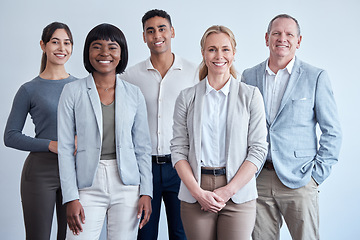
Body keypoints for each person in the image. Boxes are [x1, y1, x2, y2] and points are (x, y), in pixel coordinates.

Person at [241, 14, 342, 240]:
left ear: (299, 41)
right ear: (267, 38)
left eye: (289, 34)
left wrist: (316, 176)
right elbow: (242, 127)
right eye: (276, 33)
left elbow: (332, 131)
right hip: (259, 179)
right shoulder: (249, 76)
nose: (282, 38)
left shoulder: (316, 77)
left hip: (301, 179)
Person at [170, 25, 268, 240]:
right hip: (196, 190)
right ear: (203, 53)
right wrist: (198, 193)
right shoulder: (186, 97)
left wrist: (228, 190)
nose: (219, 55)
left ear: (233, 53)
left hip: (238, 192)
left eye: (225, 49)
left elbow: (258, 149)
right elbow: (178, 150)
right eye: (212, 49)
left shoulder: (251, 95)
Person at [57, 23, 152, 240]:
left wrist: (146, 191)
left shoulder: (134, 94)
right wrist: (70, 197)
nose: (105, 53)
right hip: (87, 185)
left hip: (127, 184)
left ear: (122, 53)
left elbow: (142, 147)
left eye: (112, 47)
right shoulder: (72, 91)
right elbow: (64, 148)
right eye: (97, 47)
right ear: (88, 52)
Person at [121, 9, 197, 240]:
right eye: (150, 31)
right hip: (145, 169)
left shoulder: (194, 73)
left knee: (181, 233)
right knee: (145, 233)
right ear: (143, 36)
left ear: (172, 32)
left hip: (181, 167)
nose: (157, 35)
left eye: (162, 29)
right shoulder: (130, 76)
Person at [3, 22, 76, 240]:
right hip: (39, 173)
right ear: (43, 45)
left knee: (73, 236)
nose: (61, 48)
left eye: (67, 43)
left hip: (75, 172)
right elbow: (10, 136)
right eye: (55, 42)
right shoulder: (29, 89)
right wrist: (50, 144)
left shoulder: (82, 86)